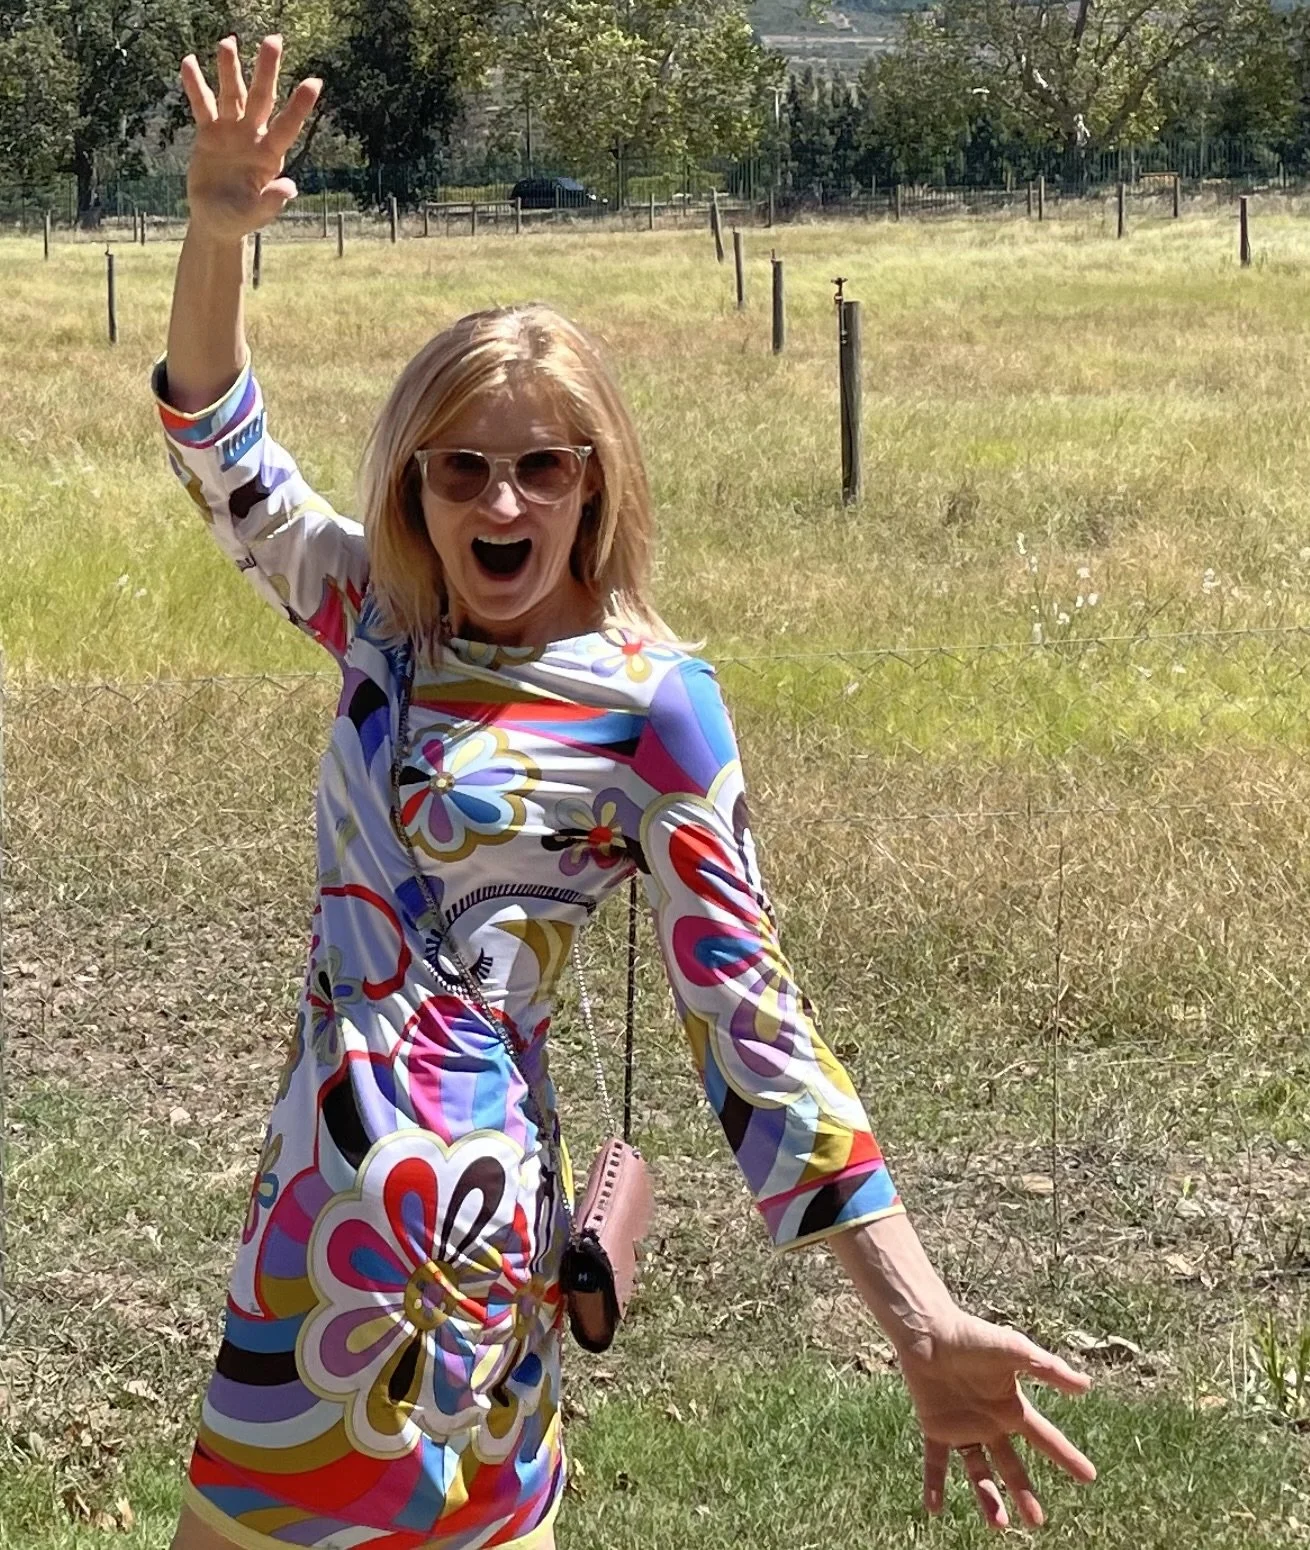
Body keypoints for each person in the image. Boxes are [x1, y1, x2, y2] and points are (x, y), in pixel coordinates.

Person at [158, 35, 1097, 1550]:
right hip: (309, 1216)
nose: (501, 501)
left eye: (540, 466)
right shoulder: (382, 620)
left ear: (597, 477)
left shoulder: (653, 699)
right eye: (458, 470)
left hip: (442, 1252)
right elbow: (219, 443)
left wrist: (918, 1320)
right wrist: (215, 232)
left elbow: (756, 1028)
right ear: (414, 488)